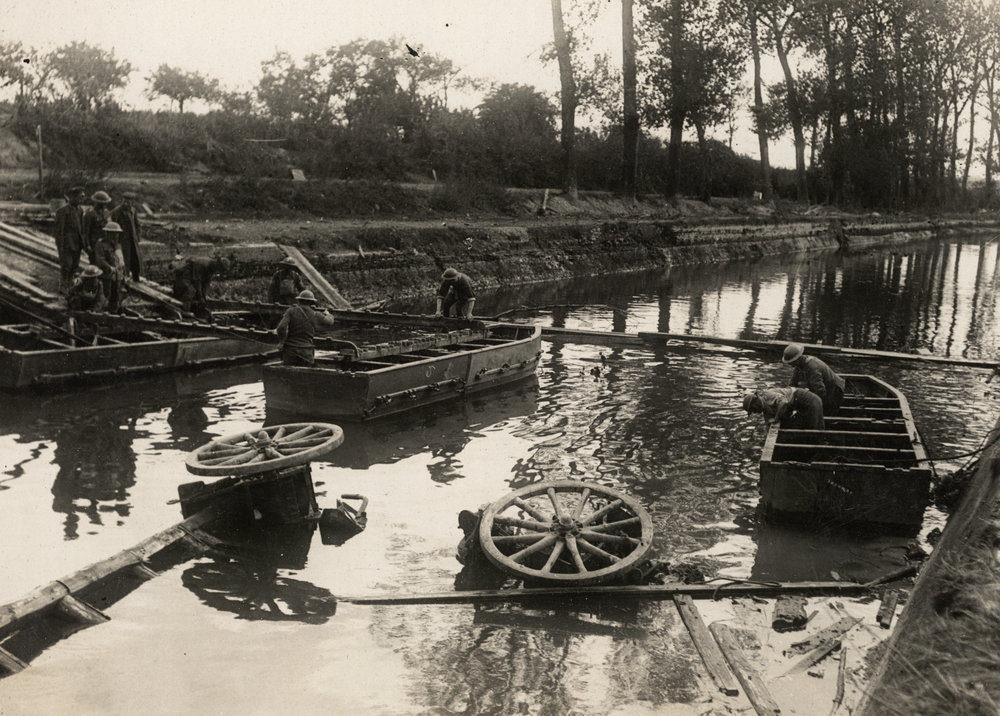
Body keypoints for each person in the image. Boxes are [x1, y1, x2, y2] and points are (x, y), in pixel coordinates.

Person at [274, 289, 336, 366]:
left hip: (290, 351)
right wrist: (328, 314)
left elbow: (281, 327)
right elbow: (330, 322)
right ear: (312, 302)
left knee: (288, 374)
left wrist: (281, 342)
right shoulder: (316, 314)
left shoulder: (291, 311)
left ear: (299, 301)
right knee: (306, 375)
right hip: (306, 351)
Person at [782, 343, 846, 415]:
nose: (790, 365)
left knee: (822, 415)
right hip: (824, 389)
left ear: (797, 359)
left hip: (834, 391)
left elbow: (820, 391)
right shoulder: (799, 365)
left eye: (791, 363)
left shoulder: (813, 367)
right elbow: (792, 385)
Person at [172, 255, 230, 320]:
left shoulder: (211, 269)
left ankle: (195, 308)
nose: (218, 271)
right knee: (191, 290)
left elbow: (205, 284)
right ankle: (184, 310)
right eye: (220, 269)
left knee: (199, 295)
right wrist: (200, 297)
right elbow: (197, 281)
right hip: (183, 276)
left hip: (192, 277)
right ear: (217, 264)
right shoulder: (202, 264)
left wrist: (203, 297)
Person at [53, 186, 86, 293]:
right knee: (66, 266)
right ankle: (63, 286)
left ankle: (70, 285)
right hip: (67, 244)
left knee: (74, 266)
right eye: (79, 197)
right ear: (72, 197)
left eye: (82, 197)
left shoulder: (80, 210)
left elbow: (81, 228)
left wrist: (83, 243)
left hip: (77, 244)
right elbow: (59, 231)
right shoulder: (62, 211)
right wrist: (60, 246)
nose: (81, 200)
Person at [743, 387, 824, 430]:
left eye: (753, 409)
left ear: (756, 402)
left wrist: (776, 418)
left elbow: (784, 402)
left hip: (807, 399)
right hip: (799, 406)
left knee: (816, 428)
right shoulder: (766, 411)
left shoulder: (768, 395)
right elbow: (768, 424)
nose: (755, 412)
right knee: (806, 426)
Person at [93, 221, 126, 312]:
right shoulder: (100, 244)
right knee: (105, 295)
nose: (116, 236)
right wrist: (109, 267)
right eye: (114, 234)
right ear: (108, 234)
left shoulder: (117, 245)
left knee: (116, 297)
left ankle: (113, 312)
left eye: (117, 234)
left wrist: (123, 272)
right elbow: (100, 260)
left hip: (117, 276)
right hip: (106, 276)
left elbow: (120, 260)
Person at [110, 191, 143, 282]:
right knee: (124, 260)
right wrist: (115, 241)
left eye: (128, 202)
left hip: (133, 240)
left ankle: (136, 278)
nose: (126, 203)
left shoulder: (133, 210)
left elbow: (137, 224)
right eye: (124, 201)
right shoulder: (116, 212)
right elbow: (112, 225)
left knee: (135, 259)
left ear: (132, 202)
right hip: (122, 240)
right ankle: (125, 280)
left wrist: (138, 236)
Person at [82, 190, 112, 263]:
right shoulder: (90, 214)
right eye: (103, 204)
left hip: (104, 244)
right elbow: (86, 231)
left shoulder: (105, 213)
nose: (105, 205)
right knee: (95, 263)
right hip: (94, 243)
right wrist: (88, 245)